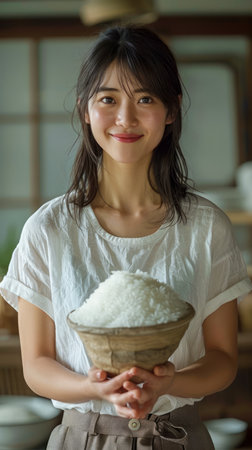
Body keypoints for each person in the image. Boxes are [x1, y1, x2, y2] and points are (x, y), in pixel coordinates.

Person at [0, 25, 251, 450]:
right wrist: (95, 388)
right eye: (108, 99)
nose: (126, 119)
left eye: (146, 99)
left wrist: (171, 382)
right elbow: (36, 365)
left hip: (180, 436)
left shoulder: (206, 226)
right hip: (82, 437)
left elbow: (223, 359)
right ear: (85, 109)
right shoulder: (49, 229)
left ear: (171, 110)